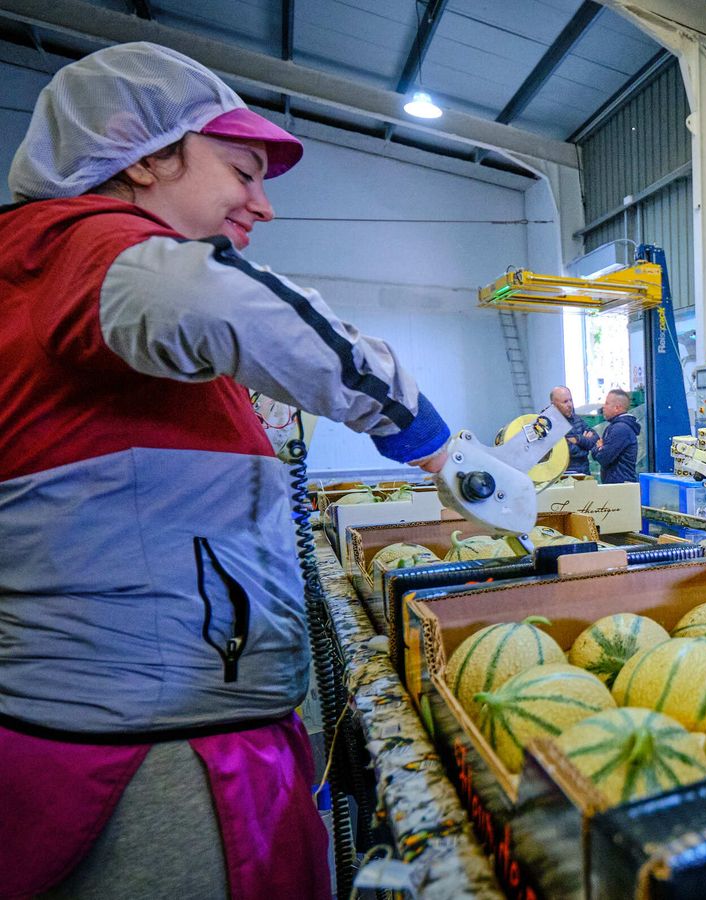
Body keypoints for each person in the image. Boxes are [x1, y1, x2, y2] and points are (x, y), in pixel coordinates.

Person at [0, 43, 453, 897]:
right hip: (147, 759)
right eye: (240, 171)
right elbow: (215, 297)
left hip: (152, 729)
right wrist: (424, 434)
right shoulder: (76, 246)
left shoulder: (58, 281)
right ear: (143, 158)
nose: (262, 205)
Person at [594, 388, 641, 484]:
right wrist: (600, 449)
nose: (603, 407)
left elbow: (603, 458)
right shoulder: (614, 427)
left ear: (617, 408)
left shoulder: (620, 429)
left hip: (620, 488)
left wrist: (599, 448)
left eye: (607, 403)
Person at [550, 385, 597, 475]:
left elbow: (595, 439)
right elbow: (564, 451)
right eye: (565, 402)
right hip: (563, 477)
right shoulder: (548, 424)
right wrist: (585, 449)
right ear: (554, 405)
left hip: (583, 474)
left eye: (571, 400)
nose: (570, 405)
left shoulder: (577, 420)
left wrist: (578, 439)